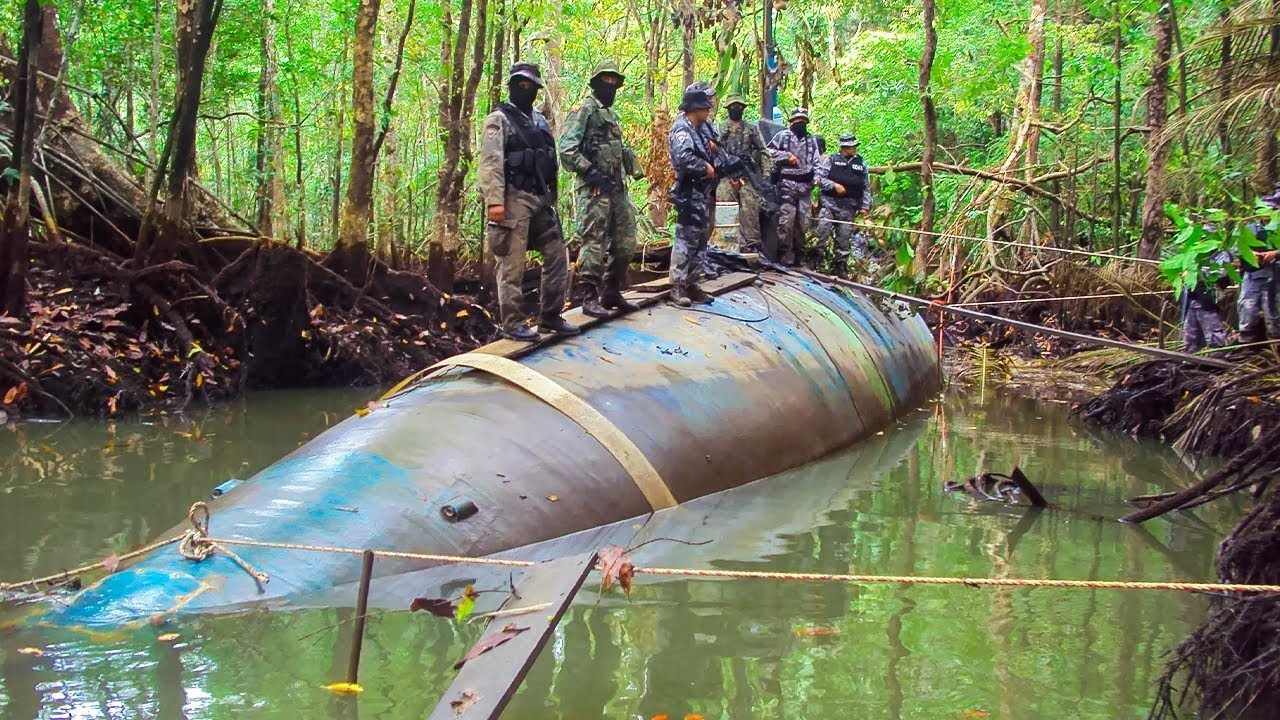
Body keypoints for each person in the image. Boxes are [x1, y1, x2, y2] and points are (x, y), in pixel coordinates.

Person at [477, 63, 579, 342]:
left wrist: (552, 198)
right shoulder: (498, 119)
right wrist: (494, 201)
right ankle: (512, 323)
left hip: (540, 199)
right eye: (520, 85)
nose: (525, 89)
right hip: (512, 200)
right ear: (511, 86)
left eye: (530, 86)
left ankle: (550, 316)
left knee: (558, 254)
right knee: (512, 264)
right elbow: (490, 162)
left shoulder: (539, 120)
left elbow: (550, 160)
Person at [560, 60, 643, 318]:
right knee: (593, 242)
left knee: (627, 241)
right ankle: (588, 295)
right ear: (596, 83)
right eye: (605, 81)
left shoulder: (610, 114)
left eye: (614, 83)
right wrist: (591, 173)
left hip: (616, 188)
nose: (610, 86)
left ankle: (611, 290)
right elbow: (566, 149)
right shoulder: (583, 110)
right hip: (594, 189)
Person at [667, 83, 719, 308]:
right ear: (694, 109)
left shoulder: (700, 129)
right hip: (689, 190)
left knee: (700, 238)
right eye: (704, 108)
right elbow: (683, 157)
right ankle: (677, 286)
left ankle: (692, 283)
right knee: (686, 238)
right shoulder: (682, 128)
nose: (708, 111)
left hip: (702, 191)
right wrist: (704, 167)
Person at [766, 108, 822, 266]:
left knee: (803, 223)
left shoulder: (811, 140)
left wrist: (815, 181)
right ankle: (785, 255)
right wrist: (786, 156)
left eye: (803, 121)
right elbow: (767, 151)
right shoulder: (783, 137)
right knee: (786, 221)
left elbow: (818, 164)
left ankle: (800, 257)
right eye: (797, 121)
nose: (800, 124)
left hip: (805, 187)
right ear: (791, 122)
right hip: (787, 186)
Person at [815, 134, 872, 276]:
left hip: (849, 207)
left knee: (844, 239)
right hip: (830, 204)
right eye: (852, 146)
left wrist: (865, 207)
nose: (854, 148)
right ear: (844, 148)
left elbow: (866, 187)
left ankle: (840, 266)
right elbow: (819, 179)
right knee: (822, 232)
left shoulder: (861, 164)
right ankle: (816, 260)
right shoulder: (831, 160)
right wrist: (834, 185)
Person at [717, 94, 767, 254]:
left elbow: (763, 151)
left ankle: (751, 246)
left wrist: (765, 175)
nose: (736, 109)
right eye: (733, 106)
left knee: (750, 208)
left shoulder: (751, 129)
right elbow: (714, 151)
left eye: (739, 106)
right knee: (725, 208)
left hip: (747, 176)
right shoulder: (720, 128)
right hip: (726, 176)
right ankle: (726, 247)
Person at [1240, 186, 1280, 343]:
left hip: (1275, 276)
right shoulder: (1249, 229)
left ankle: (1275, 345)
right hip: (1253, 277)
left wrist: (1275, 254)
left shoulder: (1277, 229)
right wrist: (1250, 255)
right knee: (1247, 313)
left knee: (1274, 315)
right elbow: (1237, 250)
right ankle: (1246, 346)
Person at [1181, 249, 1231, 354]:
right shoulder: (1193, 252)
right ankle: (1188, 362)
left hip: (1208, 300)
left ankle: (1217, 362)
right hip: (1193, 300)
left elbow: (1222, 272)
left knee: (1215, 339)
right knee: (1189, 339)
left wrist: (1197, 272)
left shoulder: (1221, 253)